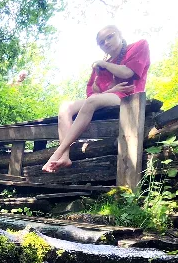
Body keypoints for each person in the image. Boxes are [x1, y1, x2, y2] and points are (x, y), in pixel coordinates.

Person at [43, 26, 150, 173]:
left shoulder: (139, 46)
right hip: (107, 98)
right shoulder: (99, 68)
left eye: (109, 37)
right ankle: (65, 156)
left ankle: (57, 152)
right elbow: (91, 94)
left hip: (129, 99)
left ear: (120, 34)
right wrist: (111, 90)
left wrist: (104, 63)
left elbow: (127, 73)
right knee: (65, 107)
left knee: (92, 101)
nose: (106, 42)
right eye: (101, 42)